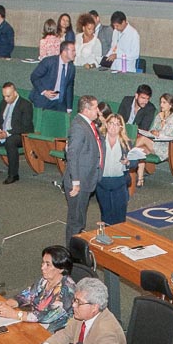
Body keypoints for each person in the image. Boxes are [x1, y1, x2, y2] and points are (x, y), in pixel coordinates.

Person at [0, 246, 77, 332]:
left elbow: (46, 316)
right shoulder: (44, 280)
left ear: (61, 269)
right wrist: (7, 304)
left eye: (48, 264)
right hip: (35, 325)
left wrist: (15, 314)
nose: (42, 267)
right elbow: (26, 295)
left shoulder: (68, 290)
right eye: (43, 263)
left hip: (54, 332)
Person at [63, 95, 102, 243]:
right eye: (95, 108)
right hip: (79, 181)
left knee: (79, 218)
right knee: (76, 221)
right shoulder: (79, 126)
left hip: (86, 178)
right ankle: (71, 252)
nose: (98, 111)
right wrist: (76, 182)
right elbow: (72, 154)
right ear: (86, 110)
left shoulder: (88, 123)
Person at [132, 93, 173, 187]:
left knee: (142, 139)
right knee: (139, 150)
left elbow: (167, 133)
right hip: (154, 143)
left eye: (164, 102)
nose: (161, 105)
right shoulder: (159, 115)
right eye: (161, 102)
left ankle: (125, 152)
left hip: (166, 147)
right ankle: (140, 179)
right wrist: (154, 131)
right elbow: (152, 130)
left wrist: (162, 121)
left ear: (171, 105)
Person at [96, 113, 133, 227]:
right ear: (106, 124)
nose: (113, 127)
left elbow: (135, 161)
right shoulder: (99, 141)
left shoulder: (126, 143)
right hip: (102, 182)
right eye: (111, 123)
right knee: (106, 214)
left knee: (120, 217)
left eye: (117, 124)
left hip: (119, 183)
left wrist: (128, 162)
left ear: (121, 127)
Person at [0, 82, 33, 184]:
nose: (6, 99)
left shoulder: (26, 105)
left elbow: (25, 126)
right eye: (4, 96)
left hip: (20, 134)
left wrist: (7, 133)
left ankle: (13, 174)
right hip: (5, 131)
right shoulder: (3, 103)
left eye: (8, 96)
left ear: (15, 93)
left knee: (10, 141)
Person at [30, 41, 76, 112]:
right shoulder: (48, 61)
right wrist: (44, 91)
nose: (75, 53)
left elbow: (69, 87)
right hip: (43, 100)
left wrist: (69, 108)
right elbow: (34, 77)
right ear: (64, 52)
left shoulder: (71, 67)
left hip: (60, 104)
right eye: (73, 51)